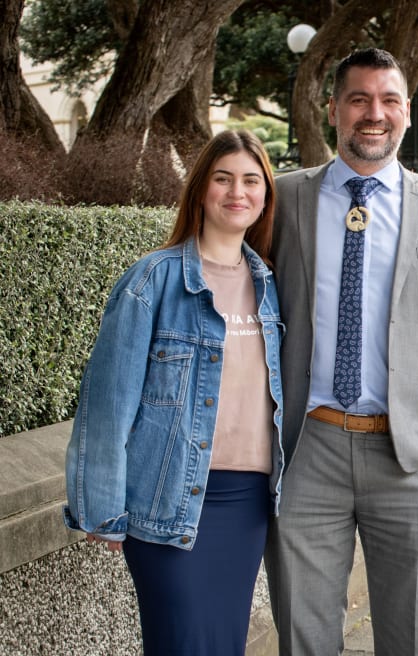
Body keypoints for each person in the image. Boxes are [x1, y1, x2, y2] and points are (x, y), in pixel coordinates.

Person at [264, 48, 418, 656]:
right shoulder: (284, 199)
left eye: (390, 100)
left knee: (412, 637)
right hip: (307, 449)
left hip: (414, 456)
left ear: (407, 112)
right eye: (360, 99)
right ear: (334, 108)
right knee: (302, 635)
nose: (375, 113)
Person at [63, 129, 284, 655]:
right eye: (223, 178)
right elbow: (107, 403)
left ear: (265, 196)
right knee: (181, 644)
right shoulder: (151, 282)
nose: (238, 192)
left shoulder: (272, 286)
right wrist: (102, 508)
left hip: (247, 504)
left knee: (224, 644)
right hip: (170, 501)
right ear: (201, 190)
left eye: (252, 181)